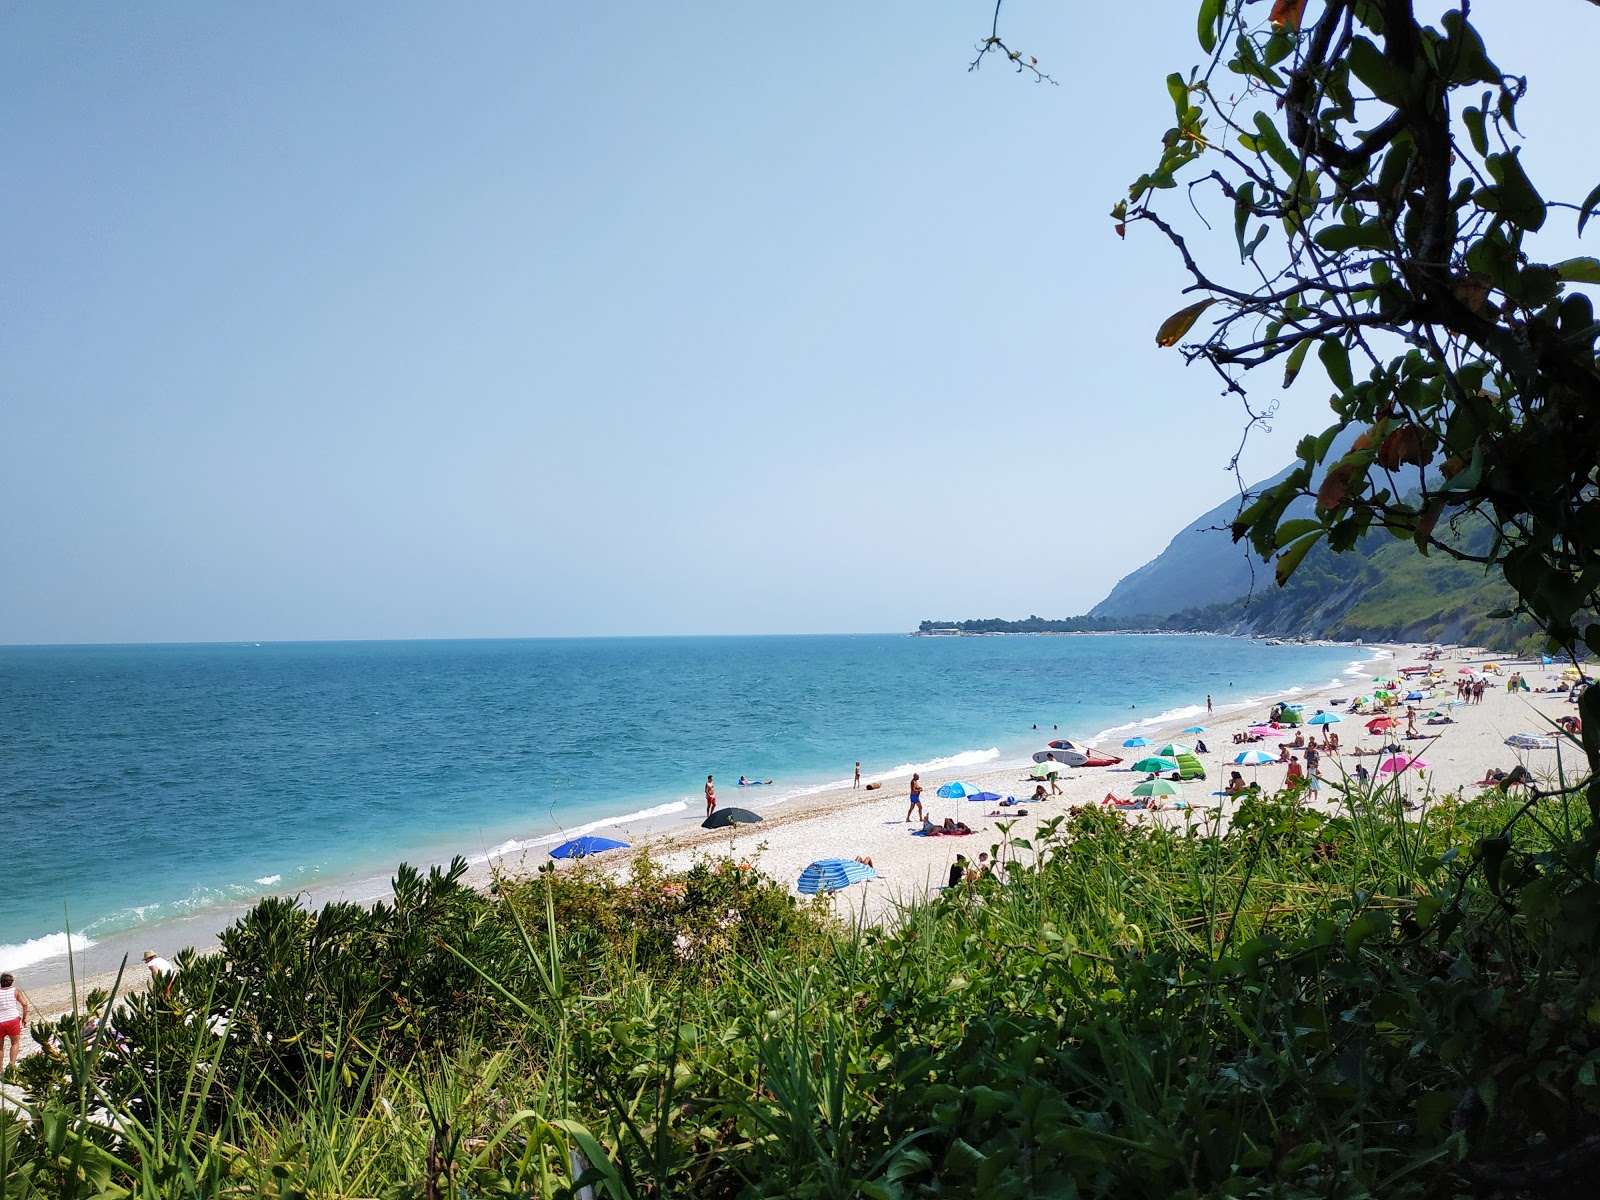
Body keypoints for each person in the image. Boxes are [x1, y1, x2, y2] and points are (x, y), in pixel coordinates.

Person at [0, 973, 28, 1071]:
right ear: (11, 982)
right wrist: (24, 1018)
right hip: (12, 1020)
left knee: (0, 1047)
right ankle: (12, 1066)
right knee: (15, 1043)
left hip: (0, 1021)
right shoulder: (15, 991)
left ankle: (0, 1069)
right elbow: (24, 1004)